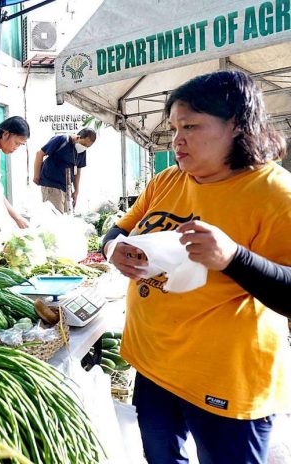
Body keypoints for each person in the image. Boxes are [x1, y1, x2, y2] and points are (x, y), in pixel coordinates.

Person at [103, 70, 291, 464]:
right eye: (173, 127)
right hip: (153, 363)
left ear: (237, 126)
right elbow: (119, 228)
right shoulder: (167, 180)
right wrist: (113, 249)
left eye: (190, 126)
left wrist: (234, 258)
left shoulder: (275, 194)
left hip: (224, 380)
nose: (177, 139)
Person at [33, 128, 97, 213]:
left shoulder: (82, 151)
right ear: (78, 137)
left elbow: (78, 170)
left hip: (67, 188)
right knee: (56, 219)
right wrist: (36, 175)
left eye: (88, 146)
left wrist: (76, 190)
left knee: (66, 219)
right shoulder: (61, 140)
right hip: (52, 185)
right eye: (84, 144)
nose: (85, 147)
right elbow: (39, 154)